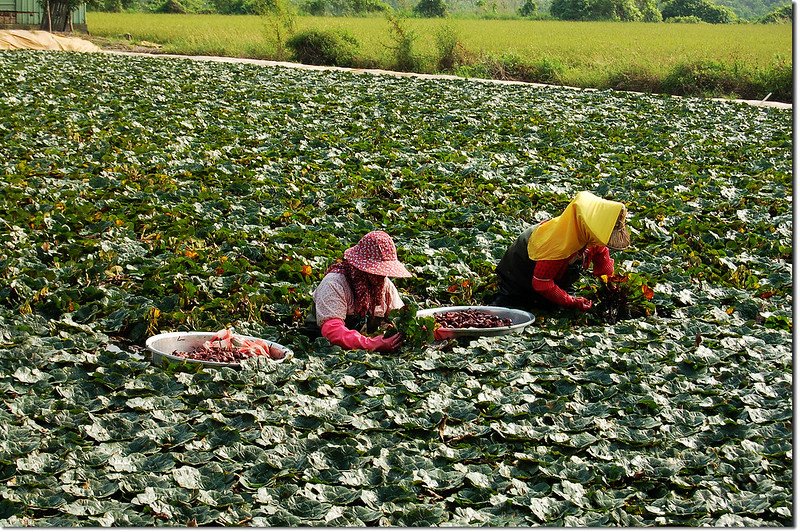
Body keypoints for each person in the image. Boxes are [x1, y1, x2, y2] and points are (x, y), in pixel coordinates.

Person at [493, 191, 630, 312]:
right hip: (519, 276)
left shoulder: (593, 237)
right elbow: (542, 283)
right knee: (515, 307)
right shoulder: (558, 245)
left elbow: (602, 259)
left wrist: (610, 285)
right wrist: (570, 301)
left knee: (563, 308)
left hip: (557, 278)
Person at [310, 230, 412, 352]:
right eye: (377, 271)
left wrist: (436, 332)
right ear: (361, 267)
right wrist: (372, 344)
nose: (383, 276)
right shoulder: (334, 284)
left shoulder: (384, 285)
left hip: (365, 347)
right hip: (325, 351)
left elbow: (403, 318)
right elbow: (332, 331)